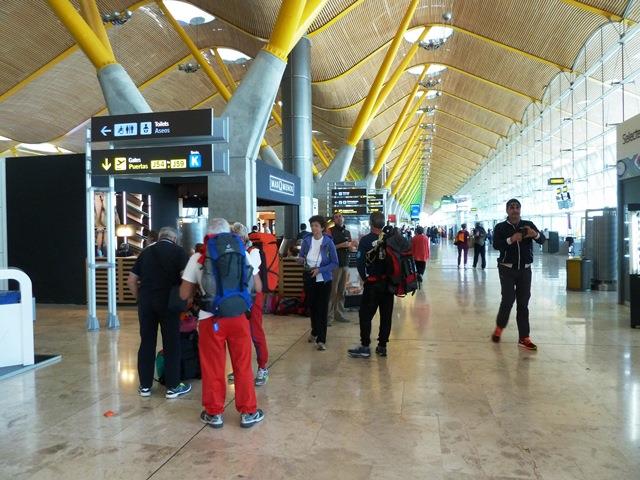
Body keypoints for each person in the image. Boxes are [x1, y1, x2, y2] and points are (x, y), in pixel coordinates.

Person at [180, 218, 265, 429]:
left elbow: (183, 294)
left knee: (213, 367)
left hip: (210, 319)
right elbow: (258, 287)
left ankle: (214, 413)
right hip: (239, 317)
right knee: (242, 365)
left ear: (207, 235)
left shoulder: (198, 257)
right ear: (229, 234)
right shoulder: (242, 252)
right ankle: (248, 412)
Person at [127, 226, 191, 399]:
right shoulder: (179, 252)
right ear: (174, 239)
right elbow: (185, 279)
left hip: (147, 303)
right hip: (169, 303)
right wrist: (186, 300)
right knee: (172, 343)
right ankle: (173, 386)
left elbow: (131, 280)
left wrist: (140, 299)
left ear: (159, 237)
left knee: (146, 342)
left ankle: (145, 387)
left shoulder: (146, 252)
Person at [491, 199, 546, 351]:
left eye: (517, 207)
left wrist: (534, 234)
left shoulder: (528, 224)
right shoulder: (500, 227)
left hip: (525, 270)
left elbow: (542, 240)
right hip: (507, 269)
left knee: (523, 303)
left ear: (520, 209)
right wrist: (511, 239)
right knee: (508, 299)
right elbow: (496, 245)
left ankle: (524, 337)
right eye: (512, 207)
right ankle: (499, 327)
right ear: (507, 210)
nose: (515, 210)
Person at [348, 212, 395, 358]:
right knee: (386, 316)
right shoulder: (390, 239)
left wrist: (365, 279)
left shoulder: (366, 240)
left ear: (370, 223)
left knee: (365, 315)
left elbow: (360, 263)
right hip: (389, 285)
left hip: (373, 284)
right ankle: (382, 346)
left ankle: (365, 346)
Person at [230, 222, 269, 386]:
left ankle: (262, 367)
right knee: (238, 335)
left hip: (253, 296)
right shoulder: (233, 252)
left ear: (243, 237)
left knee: (255, 332)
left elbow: (251, 274)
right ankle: (239, 368)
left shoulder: (254, 252)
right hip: (237, 296)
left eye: (237, 237)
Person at [298, 215, 338, 351]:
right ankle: (314, 331)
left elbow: (335, 263)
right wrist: (300, 259)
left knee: (322, 308)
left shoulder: (328, 242)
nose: (314, 228)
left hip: (324, 279)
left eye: (316, 225)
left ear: (322, 228)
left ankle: (321, 339)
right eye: (312, 226)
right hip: (309, 276)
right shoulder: (306, 240)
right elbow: (302, 255)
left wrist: (320, 270)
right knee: (312, 307)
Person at [327, 213, 352, 325]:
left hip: (345, 263)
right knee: (333, 291)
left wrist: (351, 246)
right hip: (334, 265)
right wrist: (341, 245)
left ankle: (339, 314)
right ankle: (329, 317)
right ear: (334, 220)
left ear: (343, 218)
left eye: (340, 216)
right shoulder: (330, 231)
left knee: (342, 291)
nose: (338, 218)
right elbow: (327, 247)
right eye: (336, 217)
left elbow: (350, 246)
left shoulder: (347, 232)